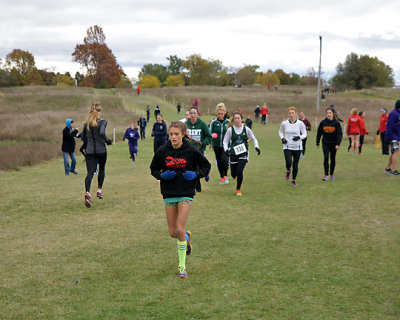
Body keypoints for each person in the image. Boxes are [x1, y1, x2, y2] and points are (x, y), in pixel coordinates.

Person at [150, 121, 211, 278]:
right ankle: (187, 238)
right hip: (169, 193)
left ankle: (182, 267)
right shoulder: (163, 151)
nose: (173, 137)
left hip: (186, 192)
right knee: (173, 232)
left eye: (176, 134)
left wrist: (196, 175)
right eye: (171, 134)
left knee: (179, 227)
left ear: (183, 134)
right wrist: (161, 175)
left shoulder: (191, 150)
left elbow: (206, 166)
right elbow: (153, 169)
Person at [82, 102, 112, 208]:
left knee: (90, 172)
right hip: (101, 150)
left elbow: (83, 138)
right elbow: (102, 132)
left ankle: (87, 192)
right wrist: (107, 140)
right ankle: (99, 190)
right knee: (102, 169)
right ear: (101, 111)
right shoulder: (102, 122)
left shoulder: (86, 124)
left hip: (89, 151)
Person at [223, 112, 260, 195]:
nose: (236, 120)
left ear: (241, 119)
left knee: (240, 171)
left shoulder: (246, 129)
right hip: (233, 153)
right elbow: (225, 141)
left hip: (243, 153)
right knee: (233, 174)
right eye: (235, 118)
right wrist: (226, 150)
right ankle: (234, 175)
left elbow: (254, 139)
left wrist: (256, 147)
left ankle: (238, 189)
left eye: (238, 118)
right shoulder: (230, 130)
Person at [278, 107, 307, 187]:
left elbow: (305, 134)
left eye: (292, 113)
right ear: (288, 114)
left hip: (297, 146)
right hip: (287, 146)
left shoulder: (300, 123)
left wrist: (299, 137)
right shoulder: (284, 123)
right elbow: (280, 132)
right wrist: (282, 138)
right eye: (289, 113)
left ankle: (293, 180)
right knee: (288, 162)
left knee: (295, 164)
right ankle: (288, 171)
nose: (291, 115)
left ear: (296, 114)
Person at [186, 106, 212, 192]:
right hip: (188, 150)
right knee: (192, 169)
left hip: (199, 150)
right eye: (191, 113)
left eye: (194, 113)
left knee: (197, 168)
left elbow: (209, 136)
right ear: (189, 114)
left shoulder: (202, 124)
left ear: (197, 114)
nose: (193, 115)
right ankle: (197, 187)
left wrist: (204, 142)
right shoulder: (186, 124)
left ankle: (204, 174)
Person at [316, 107, 343, 181]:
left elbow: (340, 134)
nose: (328, 114)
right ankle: (326, 175)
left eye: (330, 113)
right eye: (327, 113)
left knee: (332, 159)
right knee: (326, 158)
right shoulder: (323, 122)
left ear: (333, 114)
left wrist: (338, 144)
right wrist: (317, 142)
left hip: (334, 144)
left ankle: (331, 174)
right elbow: (319, 133)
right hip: (325, 143)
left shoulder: (336, 123)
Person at [210, 103, 230, 184]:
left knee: (224, 160)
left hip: (226, 145)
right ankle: (222, 177)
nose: (220, 115)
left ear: (224, 113)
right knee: (219, 161)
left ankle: (225, 175)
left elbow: (231, 133)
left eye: (221, 114)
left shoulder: (228, 122)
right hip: (217, 145)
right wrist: (212, 139)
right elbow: (210, 133)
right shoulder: (214, 123)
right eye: (218, 114)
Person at [384, 100, 400, 175]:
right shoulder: (393, 114)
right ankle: (394, 170)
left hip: (397, 136)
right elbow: (389, 126)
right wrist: (387, 137)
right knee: (396, 152)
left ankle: (387, 168)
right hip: (393, 136)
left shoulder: (398, 114)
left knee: (394, 152)